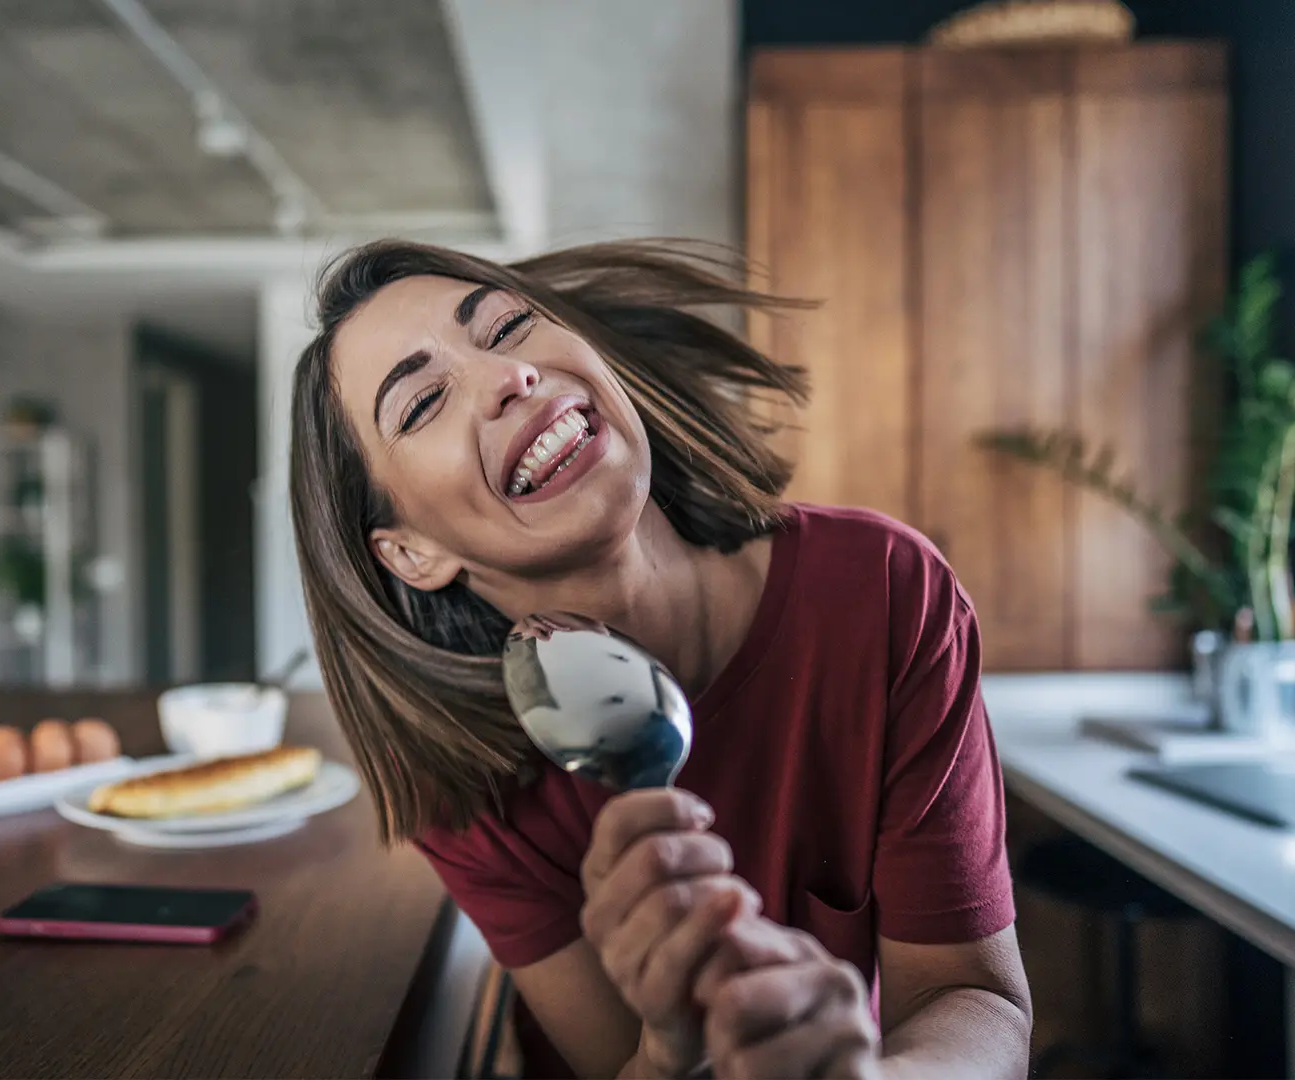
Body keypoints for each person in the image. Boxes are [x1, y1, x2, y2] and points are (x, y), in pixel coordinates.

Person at [288, 239, 1032, 1079]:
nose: (509, 377)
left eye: (508, 328)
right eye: (423, 403)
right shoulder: (460, 783)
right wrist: (672, 1046)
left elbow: (974, 1000)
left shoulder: (883, 592)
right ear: (411, 552)